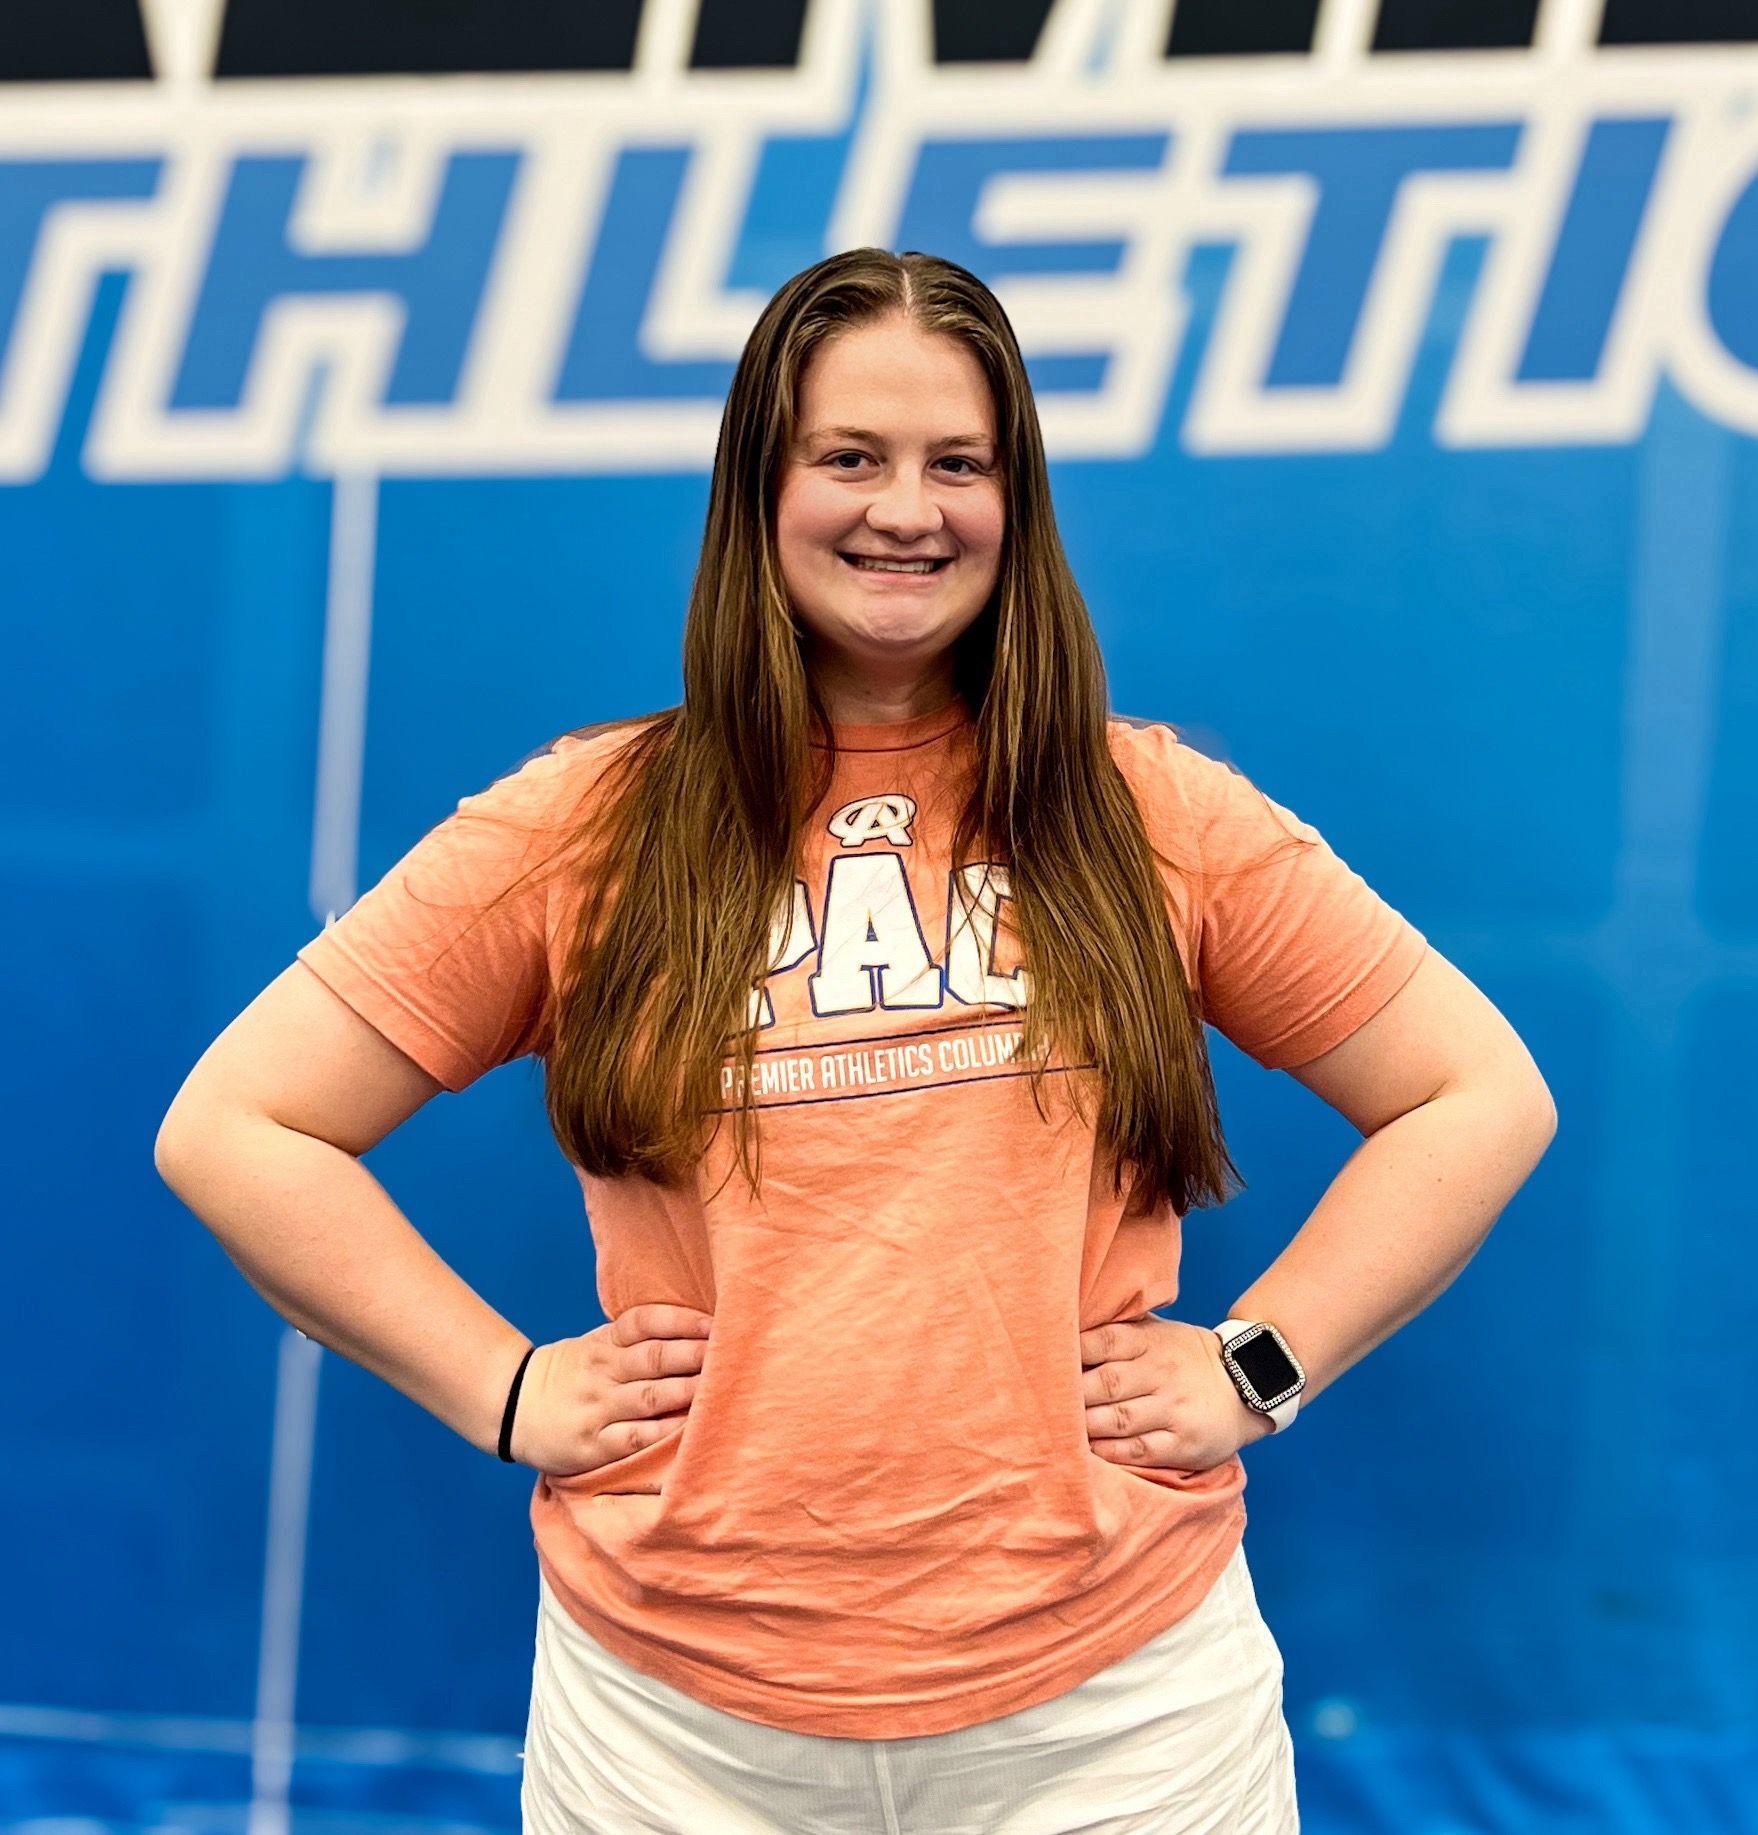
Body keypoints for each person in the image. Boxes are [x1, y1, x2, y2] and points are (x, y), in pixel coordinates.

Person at [154, 247, 1557, 1834]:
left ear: (1015, 501)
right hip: (676, 1730)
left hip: (1116, 1719)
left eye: (958, 462)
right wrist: (505, 1387)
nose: (909, 508)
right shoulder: (586, 825)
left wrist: (1257, 1365)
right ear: (763, 488)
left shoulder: (1146, 812)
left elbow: (1473, 1093)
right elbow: (238, 1128)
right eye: (850, 458)